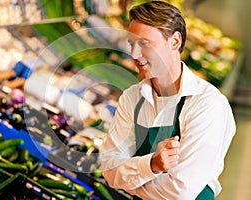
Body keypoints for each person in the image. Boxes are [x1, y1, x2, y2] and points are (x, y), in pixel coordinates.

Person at [99, 1, 236, 199]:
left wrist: (132, 183)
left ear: (174, 41)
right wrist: (152, 165)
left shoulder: (207, 104)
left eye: (144, 44)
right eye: (131, 44)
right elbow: (110, 171)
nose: (134, 55)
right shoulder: (132, 97)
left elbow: (180, 192)